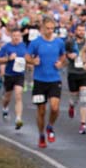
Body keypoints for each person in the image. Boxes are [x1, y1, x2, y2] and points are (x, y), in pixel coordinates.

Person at [25, 17, 66, 149]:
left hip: (54, 79)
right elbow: (27, 56)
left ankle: (50, 126)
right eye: (47, 28)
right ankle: (41, 135)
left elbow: (63, 56)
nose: (49, 31)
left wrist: (61, 63)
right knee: (41, 110)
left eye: (52, 28)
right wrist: (33, 62)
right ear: (42, 28)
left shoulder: (59, 42)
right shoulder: (36, 43)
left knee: (54, 107)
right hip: (39, 80)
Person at [0, 28, 28, 130]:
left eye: (18, 36)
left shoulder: (24, 46)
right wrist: (8, 58)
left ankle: (18, 119)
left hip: (20, 75)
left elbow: (28, 58)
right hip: (9, 75)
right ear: (11, 36)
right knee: (8, 97)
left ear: (20, 37)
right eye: (14, 36)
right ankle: (5, 108)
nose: (16, 38)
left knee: (18, 95)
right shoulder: (6, 47)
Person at [65, 23, 86, 134]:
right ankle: (71, 105)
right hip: (73, 72)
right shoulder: (70, 42)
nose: (81, 32)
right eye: (79, 30)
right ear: (76, 31)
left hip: (84, 73)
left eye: (83, 30)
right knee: (74, 97)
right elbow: (64, 52)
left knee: (84, 99)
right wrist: (68, 55)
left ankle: (83, 124)